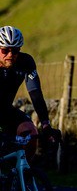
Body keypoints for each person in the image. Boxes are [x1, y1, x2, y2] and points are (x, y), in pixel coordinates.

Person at [0, 26, 60, 157]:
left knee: (31, 132)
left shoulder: (25, 62)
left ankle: (24, 167)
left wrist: (46, 125)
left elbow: (36, 94)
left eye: (15, 50)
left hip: (6, 111)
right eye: (5, 50)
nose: (10, 54)